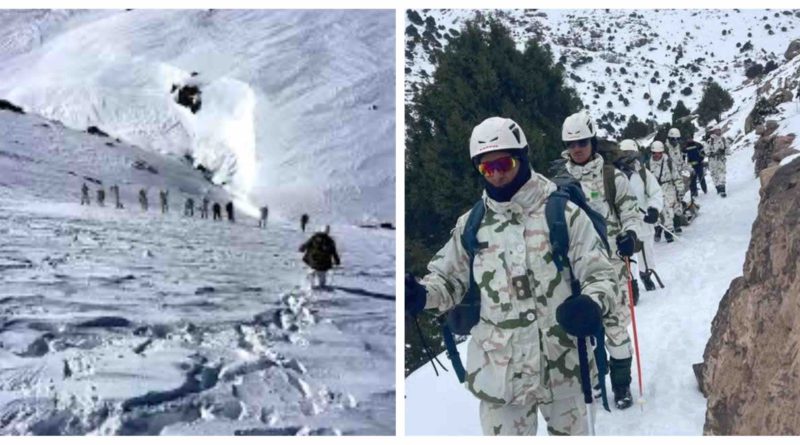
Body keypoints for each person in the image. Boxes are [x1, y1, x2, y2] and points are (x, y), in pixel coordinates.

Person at [406, 117, 620, 435]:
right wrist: (421, 294)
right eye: (486, 168)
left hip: (564, 367)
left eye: (503, 163)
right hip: (500, 378)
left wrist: (592, 302)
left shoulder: (563, 214)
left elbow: (600, 273)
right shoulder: (471, 225)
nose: (497, 174)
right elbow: (448, 279)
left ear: (522, 157)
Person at [560, 111, 639, 410]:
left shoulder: (611, 176)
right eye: (571, 143)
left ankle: (621, 386)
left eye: (581, 141)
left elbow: (630, 210)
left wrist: (630, 234)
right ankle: (592, 379)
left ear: (592, 141)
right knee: (581, 329)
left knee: (616, 328)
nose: (577, 148)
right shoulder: (559, 183)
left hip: (612, 265)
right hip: (575, 268)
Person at [618, 140, 664, 293]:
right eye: (623, 155)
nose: (627, 158)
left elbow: (655, 192)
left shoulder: (643, 173)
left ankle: (646, 275)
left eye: (629, 154)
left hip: (643, 219)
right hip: (622, 221)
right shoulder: (613, 175)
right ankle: (631, 284)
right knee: (624, 252)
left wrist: (654, 209)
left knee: (646, 250)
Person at [706, 125, 730, 197]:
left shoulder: (723, 139)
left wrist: (723, 151)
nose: (719, 132)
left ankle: (722, 190)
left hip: (721, 160)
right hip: (712, 161)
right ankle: (718, 188)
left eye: (719, 130)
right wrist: (713, 153)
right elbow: (706, 151)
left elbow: (728, 150)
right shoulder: (709, 141)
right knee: (714, 175)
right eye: (717, 130)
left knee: (722, 174)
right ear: (713, 131)